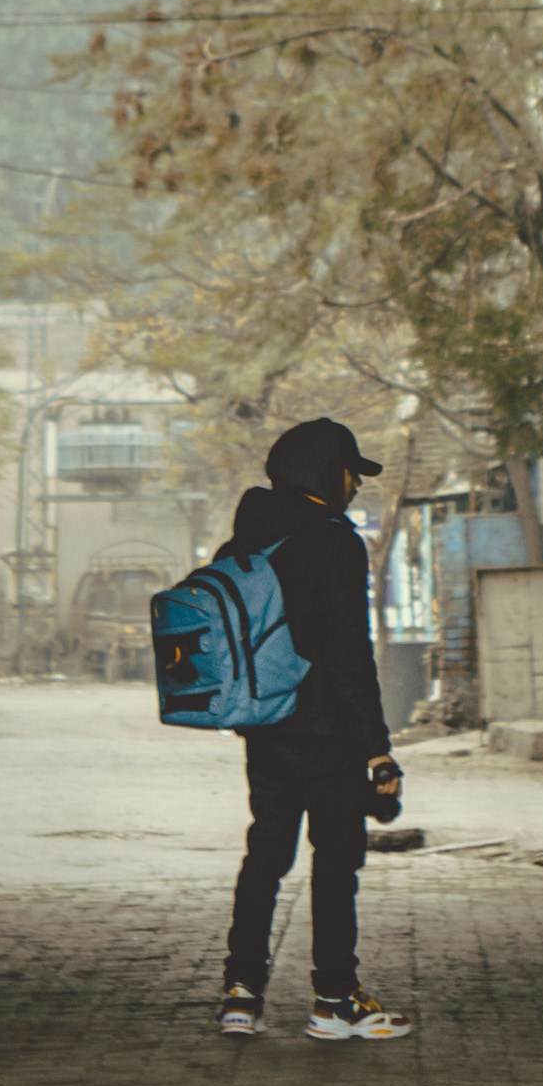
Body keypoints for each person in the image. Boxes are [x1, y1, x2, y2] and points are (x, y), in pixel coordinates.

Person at [217, 416, 411, 1041]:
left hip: (264, 728)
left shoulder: (243, 542)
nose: (357, 486)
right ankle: (334, 1000)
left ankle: (240, 994)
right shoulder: (334, 541)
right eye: (353, 472)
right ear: (330, 473)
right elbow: (350, 654)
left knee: (266, 857)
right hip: (326, 734)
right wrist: (377, 751)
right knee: (335, 864)